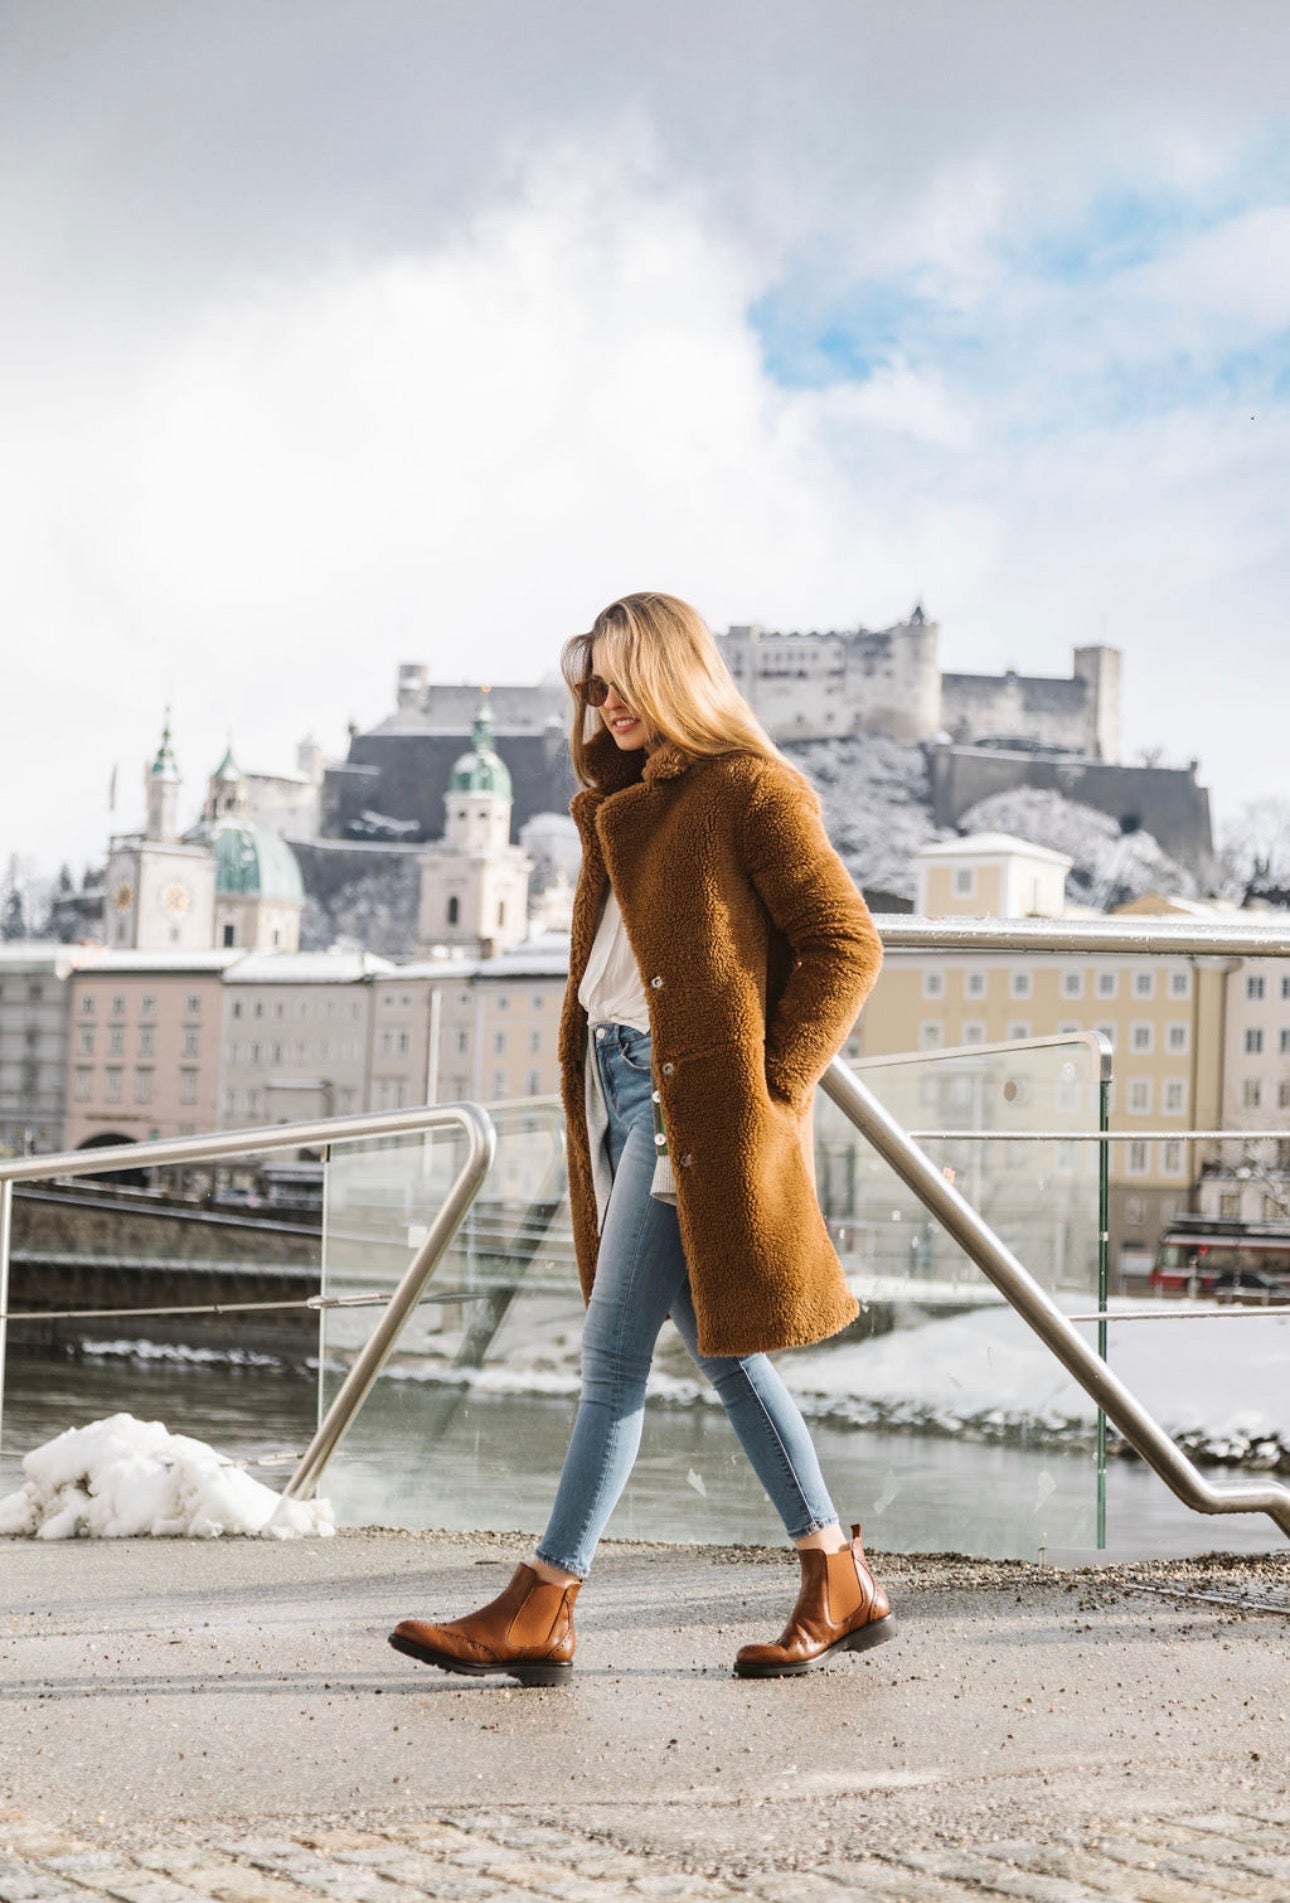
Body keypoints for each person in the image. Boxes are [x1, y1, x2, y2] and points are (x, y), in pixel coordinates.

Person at [389, 592, 892, 1685]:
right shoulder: (620, 806)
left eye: (622, 679)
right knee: (720, 1352)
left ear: (672, 676)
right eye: (594, 685)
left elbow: (846, 943)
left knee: (614, 1356)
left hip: (688, 1109)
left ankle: (544, 1598)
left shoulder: (750, 791)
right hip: (619, 1096)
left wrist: (770, 1085)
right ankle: (836, 1575)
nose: (605, 702)